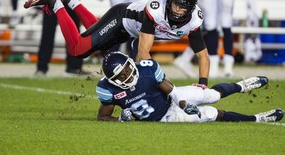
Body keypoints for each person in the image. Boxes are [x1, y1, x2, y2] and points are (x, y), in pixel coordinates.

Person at [24, 0, 210, 85]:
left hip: (130, 32)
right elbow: (143, 52)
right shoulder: (157, 10)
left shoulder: (194, 21)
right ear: (169, 0)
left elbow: (203, 55)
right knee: (78, 50)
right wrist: (162, 82)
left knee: (103, 47)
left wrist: (203, 83)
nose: (177, 10)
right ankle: (55, 0)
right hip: (121, 19)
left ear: (191, 9)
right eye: (176, 4)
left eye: (183, 7)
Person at [96, 51, 284, 123]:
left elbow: (170, 89)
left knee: (209, 94)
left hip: (171, 99)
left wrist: (183, 103)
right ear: (113, 79)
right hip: (165, 117)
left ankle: (242, 85)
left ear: (131, 62)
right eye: (121, 75)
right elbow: (103, 116)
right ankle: (257, 119)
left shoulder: (147, 69)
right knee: (212, 113)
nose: (128, 74)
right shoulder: (107, 90)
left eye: (128, 68)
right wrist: (120, 119)